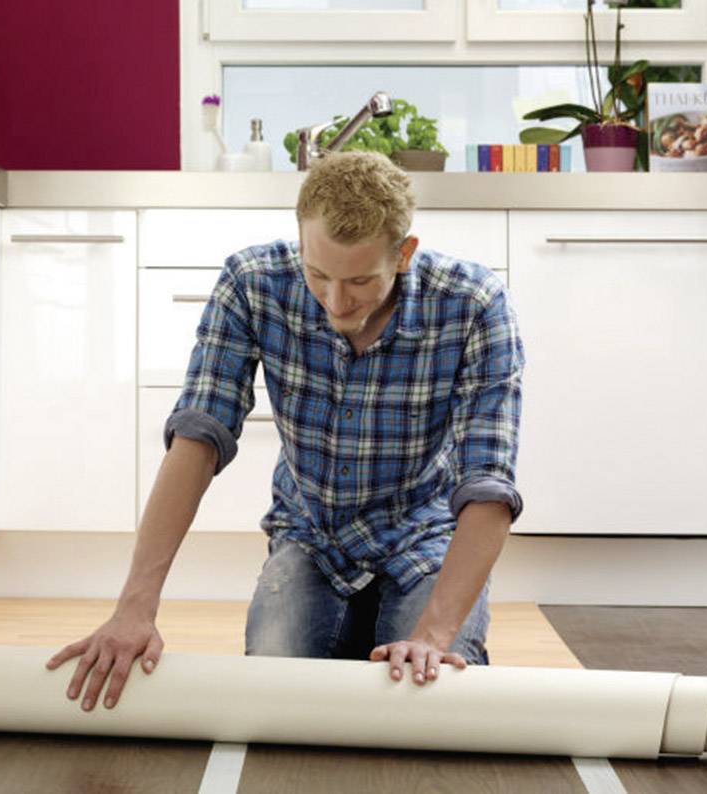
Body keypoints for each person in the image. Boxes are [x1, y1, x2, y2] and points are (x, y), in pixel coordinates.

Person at [47, 151, 525, 713]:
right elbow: (198, 437)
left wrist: (434, 636)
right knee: (273, 699)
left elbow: (488, 483)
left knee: (432, 702)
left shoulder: (474, 303)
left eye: (360, 280)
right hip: (311, 538)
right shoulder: (252, 284)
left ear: (403, 254)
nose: (336, 302)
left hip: (425, 539)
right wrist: (134, 606)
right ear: (299, 240)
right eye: (317, 274)